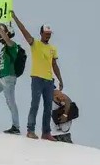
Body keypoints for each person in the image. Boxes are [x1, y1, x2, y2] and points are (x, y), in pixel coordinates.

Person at [11, 12, 63, 140]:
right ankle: (30, 130)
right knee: (35, 104)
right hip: (37, 79)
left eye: (49, 34)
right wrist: (14, 17)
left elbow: (54, 65)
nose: (48, 36)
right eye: (46, 33)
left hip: (49, 81)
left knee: (48, 107)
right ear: (41, 33)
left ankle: (46, 133)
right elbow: (24, 31)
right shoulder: (35, 44)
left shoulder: (53, 48)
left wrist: (60, 80)